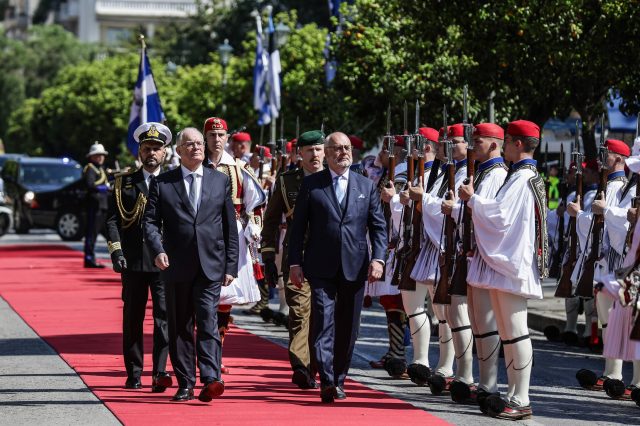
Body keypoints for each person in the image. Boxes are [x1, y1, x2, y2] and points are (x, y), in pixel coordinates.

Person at [288, 132, 387, 403]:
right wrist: (295, 262)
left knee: (348, 327)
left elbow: (378, 227)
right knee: (322, 321)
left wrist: (378, 259)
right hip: (320, 267)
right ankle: (327, 380)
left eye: (346, 148)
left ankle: (340, 378)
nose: (343, 153)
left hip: (355, 267)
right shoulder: (312, 185)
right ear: (327, 153)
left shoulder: (365, 186)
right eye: (337, 149)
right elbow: (298, 228)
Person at [458, 119, 547, 420]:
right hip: (508, 260)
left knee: (516, 331)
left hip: (512, 262)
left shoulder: (522, 178)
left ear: (517, 143)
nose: (505, 145)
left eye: (508, 141)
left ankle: (521, 398)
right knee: (509, 332)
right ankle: (514, 394)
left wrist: (472, 200)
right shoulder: (520, 175)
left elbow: (500, 215)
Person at [143, 126, 239, 402]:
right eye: (190, 144)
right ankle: (185, 382)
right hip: (176, 265)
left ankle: (211, 378)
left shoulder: (219, 180)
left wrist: (231, 265)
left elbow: (229, 226)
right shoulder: (163, 183)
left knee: (208, 320)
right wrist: (157, 250)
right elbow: (150, 222)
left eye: (199, 143)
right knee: (180, 325)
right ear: (178, 150)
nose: (196, 147)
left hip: (211, 264)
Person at [442, 123, 508, 404]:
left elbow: (493, 213)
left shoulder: (497, 175)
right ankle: (476, 380)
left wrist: (460, 207)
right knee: (477, 321)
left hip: (485, 255)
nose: (472, 145)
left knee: (487, 323)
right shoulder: (481, 172)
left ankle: (489, 384)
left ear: (494, 144)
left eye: (478, 141)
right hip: (472, 253)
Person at [105, 122, 171, 392]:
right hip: (132, 261)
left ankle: (160, 372)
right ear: (139, 152)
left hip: (164, 262)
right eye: (147, 148)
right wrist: (116, 251)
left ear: (164, 152)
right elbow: (112, 220)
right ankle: (133, 373)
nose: (151, 153)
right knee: (133, 318)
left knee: (164, 318)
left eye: (156, 148)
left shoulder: (172, 182)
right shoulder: (124, 183)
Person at [261, 130, 326, 389]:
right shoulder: (287, 181)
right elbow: (271, 220)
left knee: (322, 316)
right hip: (296, 256)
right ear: (300, 154)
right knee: (299, 312)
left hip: (328, 257)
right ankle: (301, 366)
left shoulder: (335, 179)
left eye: (318, 149)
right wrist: (268, 256)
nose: (315, 155)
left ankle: (316, 366)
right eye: (309, 150)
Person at [203, 117, 266, 374]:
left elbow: (256, 203)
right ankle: (202, 352)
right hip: (202, 235)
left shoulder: (239, 168)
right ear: (205, 138)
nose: (216, 139)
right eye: (212, 135)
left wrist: (255, 226)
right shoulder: (196, 165)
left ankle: (216, 354)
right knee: (201, 296)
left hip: (231, 236)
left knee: (225, 297)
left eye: (221, 135)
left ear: (227, 138)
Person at [570, 139, 630, 391]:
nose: (600, 159)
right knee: (607, 319)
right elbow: (597, 223)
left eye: (606, 154)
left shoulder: (627, 188)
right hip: (604, 262)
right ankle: (611, 372)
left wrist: (604, 211)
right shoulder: (608, 186)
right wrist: (581, 215)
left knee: (621, 320)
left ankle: (627, 377)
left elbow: (626, 224)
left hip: (619, 262)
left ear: (619, 159)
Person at [396, 126, 439, 386]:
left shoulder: (442, 174)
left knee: (444, 312)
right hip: (413, 245)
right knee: (413, 307)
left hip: (433, 246)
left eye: (414, 144)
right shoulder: (411, 172)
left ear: (427, 147)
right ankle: (420, 360)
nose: (408, 150)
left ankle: (447, 368)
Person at [83, 142, 110, 268]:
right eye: (97, 155)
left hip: (103, 205)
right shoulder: (90, 168)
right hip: (95, 205)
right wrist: (105, 188)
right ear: (91, 157)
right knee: (92, 234)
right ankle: (89, 258)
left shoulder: (101, 168)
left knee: (108, 233)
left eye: (101, 155)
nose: (100, 157)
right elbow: (90, 185)